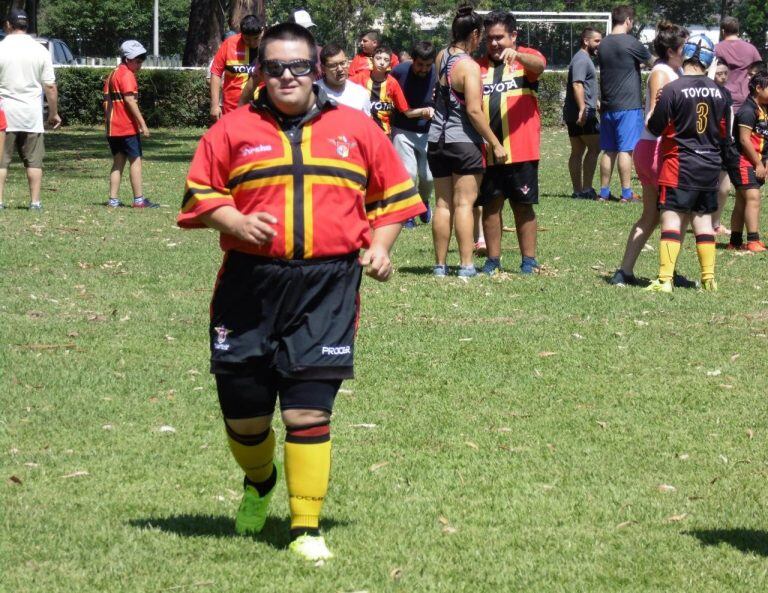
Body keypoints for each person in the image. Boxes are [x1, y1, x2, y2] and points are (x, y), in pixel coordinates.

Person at [177, 22, 425, 562]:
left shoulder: (357, 128)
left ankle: (305, 525)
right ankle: (259, 480)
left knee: (307, 413)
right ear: (259, 71)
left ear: (317, 68)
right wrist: (234, 223)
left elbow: (393, 199)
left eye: (299, 66)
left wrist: (381, 248)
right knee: (244, 414)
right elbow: (201, 193)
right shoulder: (231, 130)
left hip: (328, 285)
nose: (287, 76)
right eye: (274, 67)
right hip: (249, 285)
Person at [645, 34, 728, 293]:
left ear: (687, 54)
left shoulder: (673, 88)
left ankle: (664, 279)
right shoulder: (721, 92)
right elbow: (724, 134)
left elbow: (656, 127)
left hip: (679, 164)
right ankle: (708, 278)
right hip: (709, 166)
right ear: (709, 59)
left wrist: (653, 111)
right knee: (703, 221)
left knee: (671, 219)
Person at [428, 4, 506, 278]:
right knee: (464, 204)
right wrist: (495, 142)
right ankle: (466, 265)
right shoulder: (469, 67)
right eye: (481, 35)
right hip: (463, 142)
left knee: (442, 204)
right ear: (474, 34)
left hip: (436, 140)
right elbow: (473, 110)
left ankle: (439, 266)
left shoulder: (441, 56)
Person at [610, 21, 688, 286]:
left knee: (653, 216)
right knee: (674, 213)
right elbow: (653, 116)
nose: (686, 52)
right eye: (683, 47)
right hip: (657, 149)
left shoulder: (673, 71)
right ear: (672, 50)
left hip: (657, 148)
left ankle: (626, 272)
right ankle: (666, 273)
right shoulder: (661, 72)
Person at [475, 10, 546, 276]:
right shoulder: (478, 67)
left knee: (522, 205)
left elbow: (539, 67)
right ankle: (493, 260)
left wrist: (518, 55)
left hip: (521, 150)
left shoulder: (527, 59)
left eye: (500, 38)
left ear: (513, 36)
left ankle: (528, 260)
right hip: (488, 151)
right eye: (490, 38)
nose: (494, 44)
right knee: (491, 206)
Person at [0, 9, 61, 210]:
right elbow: (50, 86)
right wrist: (53, 113)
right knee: (34, 161)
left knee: (1, 161)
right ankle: (35, 202)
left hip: (4, 113)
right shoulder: (40, 50)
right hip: (31, 115)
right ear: (26, 26)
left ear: (8, 25)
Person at [596, 5, 652, 202]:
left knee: (608, 149)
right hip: (628, 105)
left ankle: (603, 192)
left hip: (608, 105)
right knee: (625, 150)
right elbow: (654, 62)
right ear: (628, 20)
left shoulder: (602, 44)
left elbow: (618, 64)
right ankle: (627, 193)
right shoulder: (632, 42)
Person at [103, 41, 157, 209]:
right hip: (126, 127)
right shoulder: (127, 75)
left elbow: (106, 102)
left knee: (118, 162)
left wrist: (109, 122)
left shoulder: (112, 74)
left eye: (142, 60)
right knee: (136, 161)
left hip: (113, 128)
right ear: (126, 59)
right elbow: (130, 100)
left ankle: (113, 200)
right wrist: (143, 124)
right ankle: (139, 200)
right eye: (137, 60)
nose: (140, 64)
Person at [390, 41, 438, 227]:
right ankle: (408, 213)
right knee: (408, 173)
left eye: (428, 65)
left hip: (428, 130)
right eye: (420, 65)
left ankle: (423, 201)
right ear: (412, 60)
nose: (424, 69)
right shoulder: (400, 71)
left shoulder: (437, 72)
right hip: (403, 129)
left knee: (428, 177)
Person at [726, 69, 768, 252]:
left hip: (754, 160)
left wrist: (764, 161)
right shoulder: (747, 110)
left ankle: (734, 242)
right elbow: (744, 140)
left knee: (742, 201)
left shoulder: (764, 109)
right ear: (759, 88)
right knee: (753, 197)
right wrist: (758, 163)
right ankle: (753, 240)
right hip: (742, 160)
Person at [351, 46, 428, 137]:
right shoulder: (360, 78)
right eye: (378, 58)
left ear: (390, 63)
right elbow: (342, 88)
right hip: (362, 133)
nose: (382, 62)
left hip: (384, 135)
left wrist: (424, 111)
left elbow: (407, 112)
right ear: (372, 60)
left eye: (386, 60)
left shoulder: (392, 83)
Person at [564, 27, 602, 200]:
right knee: (595, 147)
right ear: (586, 41)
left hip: (576, 111)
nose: (599, 45)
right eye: (597, 41)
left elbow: (584, 86)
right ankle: (586, 189)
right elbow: (577, 84)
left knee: (577, 151)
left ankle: (578, 191)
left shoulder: (582, 58)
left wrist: (596, 101)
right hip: (582, 112)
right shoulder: (582, 59)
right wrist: (583, 108)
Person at [210, 14, 265, 120]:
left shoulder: (271, 45)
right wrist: (215, 105)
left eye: (256, 38)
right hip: (232, 110)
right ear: (241, 33)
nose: (252, 43)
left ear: (262, 31)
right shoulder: (229, 44)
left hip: (263, 110)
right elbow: (216, 72)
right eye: (247, 39)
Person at [715, 17, 762, 112]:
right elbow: (761, 74)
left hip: (723, 99)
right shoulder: (751, 49)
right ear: (738, 31)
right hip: (747, 101)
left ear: (723, 31)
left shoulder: (717, 49)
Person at [315, 44, 371, 115]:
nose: (340, 69)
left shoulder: (361, 93)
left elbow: (366, 123)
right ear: (323, 68)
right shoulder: (313, 93)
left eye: (342, 63)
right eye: (333, 66)